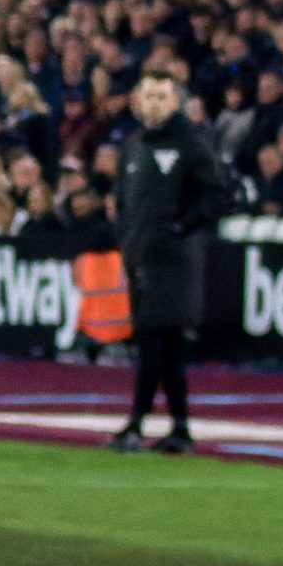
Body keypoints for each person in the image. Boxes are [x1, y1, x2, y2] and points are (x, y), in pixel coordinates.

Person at [110, 70, 227, 453]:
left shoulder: (192, 145)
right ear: (138, 101)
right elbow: (125, 203)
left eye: (162, 96)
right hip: (139, 258)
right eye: (149, 96)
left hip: (173, 261)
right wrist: (127, 243)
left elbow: (216, 196)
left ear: (176, 102)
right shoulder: (132, 147)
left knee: (153, 342)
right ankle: (179, 427)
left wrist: (179, 226)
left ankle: (136, 424)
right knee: (167, 346)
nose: (155, 103)